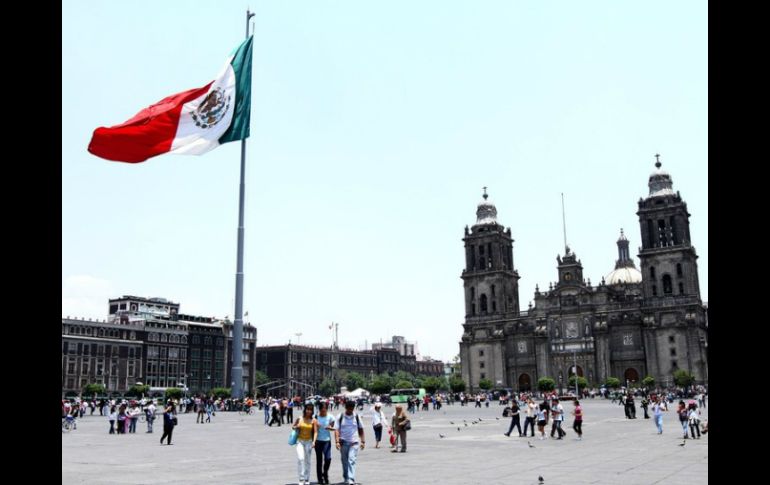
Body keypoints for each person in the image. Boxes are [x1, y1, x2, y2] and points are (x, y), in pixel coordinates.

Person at [335, 400, 365, 485]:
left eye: (352, 409)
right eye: (349, 409)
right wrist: (337, 441)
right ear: (346, 408)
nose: (350, 411)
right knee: (344, 461)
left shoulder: (357, 416)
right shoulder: (340, 416)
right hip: (343, 442)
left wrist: (363, 441)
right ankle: (346, 477)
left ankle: (351, 479)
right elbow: (336, 430)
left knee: (351, 460)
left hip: (354, 442)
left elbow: (361, 429)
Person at [293, 403, 317, 485]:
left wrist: (314, 441)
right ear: (305, 410)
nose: (309, 411)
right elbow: (293, 426)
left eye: (310, 410)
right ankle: (301, 478)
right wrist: (296, 426)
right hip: (300, 441)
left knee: (308, 461)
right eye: (307, 409)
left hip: (309, 442)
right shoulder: (300, 418)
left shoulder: (313, 420)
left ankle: (307, 478)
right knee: (301, 458)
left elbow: (316, 432)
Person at [314, 402, 334, 485]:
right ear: (319, 410)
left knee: (328, 459)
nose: (323, 412)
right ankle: (320, 479)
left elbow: (333, 427)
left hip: (327, 441)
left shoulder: (330, 417)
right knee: (319, 461)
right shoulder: (315, 417)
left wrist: (330, 427)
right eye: (322, 411)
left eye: (325, 410)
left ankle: (325, 473)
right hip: (318, 441)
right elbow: (312, 428)